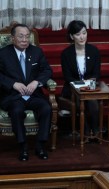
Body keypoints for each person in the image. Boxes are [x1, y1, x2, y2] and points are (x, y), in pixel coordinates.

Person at [0, 23, 52, 161]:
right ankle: (23, 147)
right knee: (17, 111)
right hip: (13, 96)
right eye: (21, 36)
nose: (24, 40)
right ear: (12, 38)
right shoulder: (3, 54)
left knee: (46, 108)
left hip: (33, 94)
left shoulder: (36, 52)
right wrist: (13, 84)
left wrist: (37, 82)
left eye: (27, 36)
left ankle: (40, 145)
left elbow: (47, 70)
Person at [60, 20, 101, 138]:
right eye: (78, 34)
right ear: (72, 37)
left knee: (92, 100)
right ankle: (86, 130)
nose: (82, 37)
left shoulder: (94, 51)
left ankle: (95, 129)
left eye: (84, 33)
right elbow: (67, 76)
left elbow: (97, 73)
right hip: (72, 87)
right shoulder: (66, 54)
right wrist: (81, 85)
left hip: (91, 86)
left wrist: (89, 83)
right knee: (79, 99)